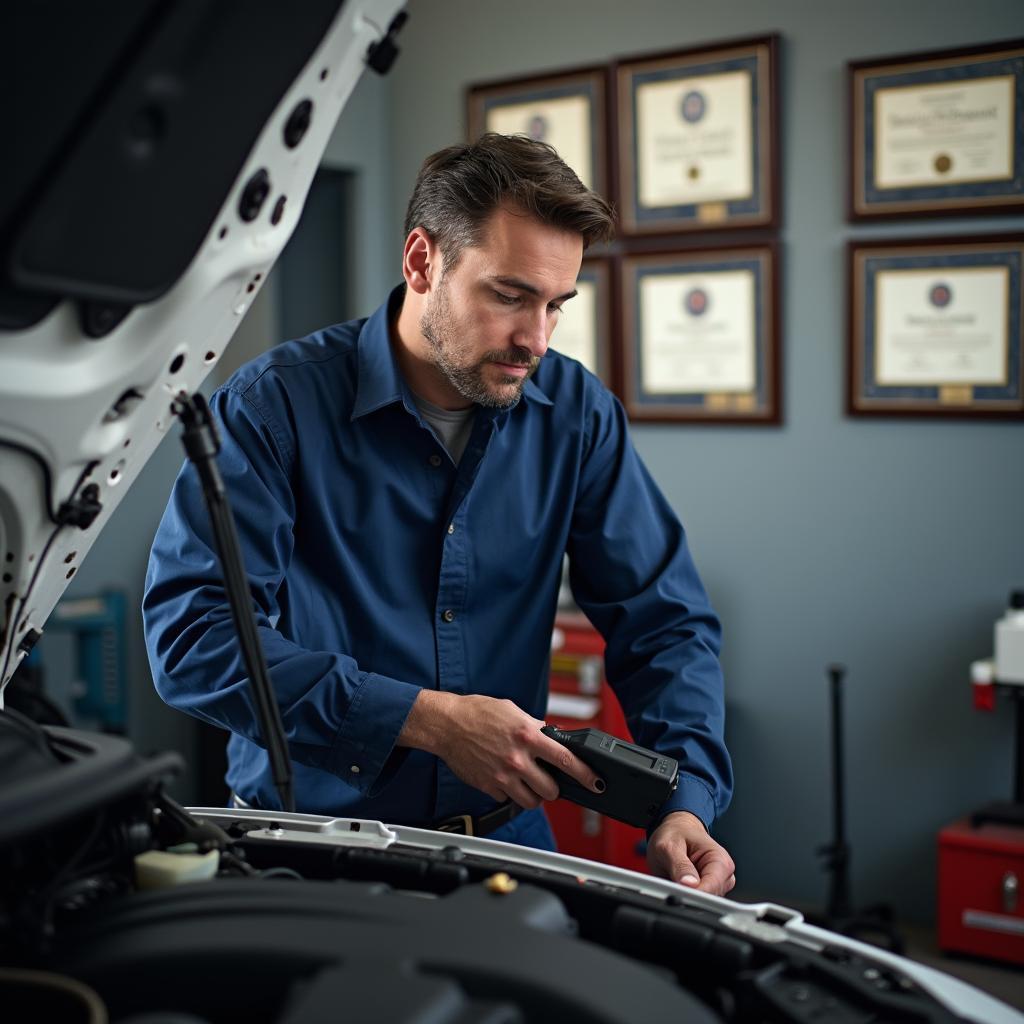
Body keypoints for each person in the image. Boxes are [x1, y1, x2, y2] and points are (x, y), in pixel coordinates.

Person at [143, 134, 735, 894]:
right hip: (308, 848)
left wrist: (687, 801)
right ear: (423, 262)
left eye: (557, 305)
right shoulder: (271, 409)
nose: (536, 339)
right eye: (510, 295)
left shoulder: (578, 414)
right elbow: (194, 639)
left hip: (511, 844)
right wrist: (428, 720)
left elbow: (666, 621)